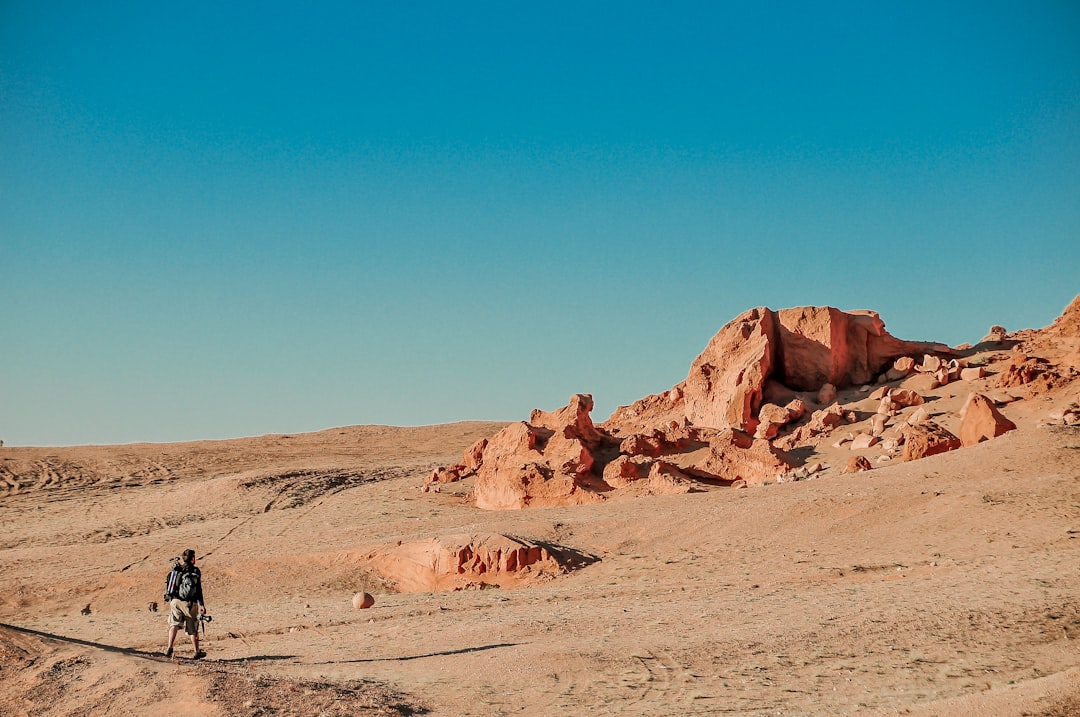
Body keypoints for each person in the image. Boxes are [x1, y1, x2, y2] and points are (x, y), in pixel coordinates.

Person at [163, 548, 207, 659]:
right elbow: (198, 589)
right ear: (192, 559)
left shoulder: (177, 570)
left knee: (174, 624)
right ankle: (197, 651)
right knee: (193, 628)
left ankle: (169, 648)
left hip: (175, 601)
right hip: (189, 604)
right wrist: (201, 604)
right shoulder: (195, 571)